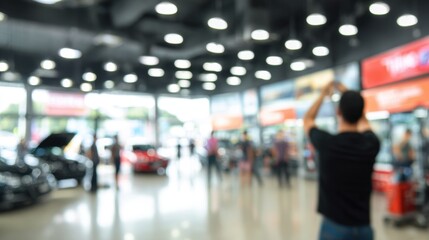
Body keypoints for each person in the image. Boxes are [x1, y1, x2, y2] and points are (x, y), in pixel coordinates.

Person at [303, 81, 380, 240]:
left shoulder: (326, 143)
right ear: (360, 114)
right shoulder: (371, 143)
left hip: (334, 228)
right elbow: (364, 123)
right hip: (364, 228)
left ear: (338, 111)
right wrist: (350, 94)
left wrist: (323, 95)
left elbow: (308, 119)